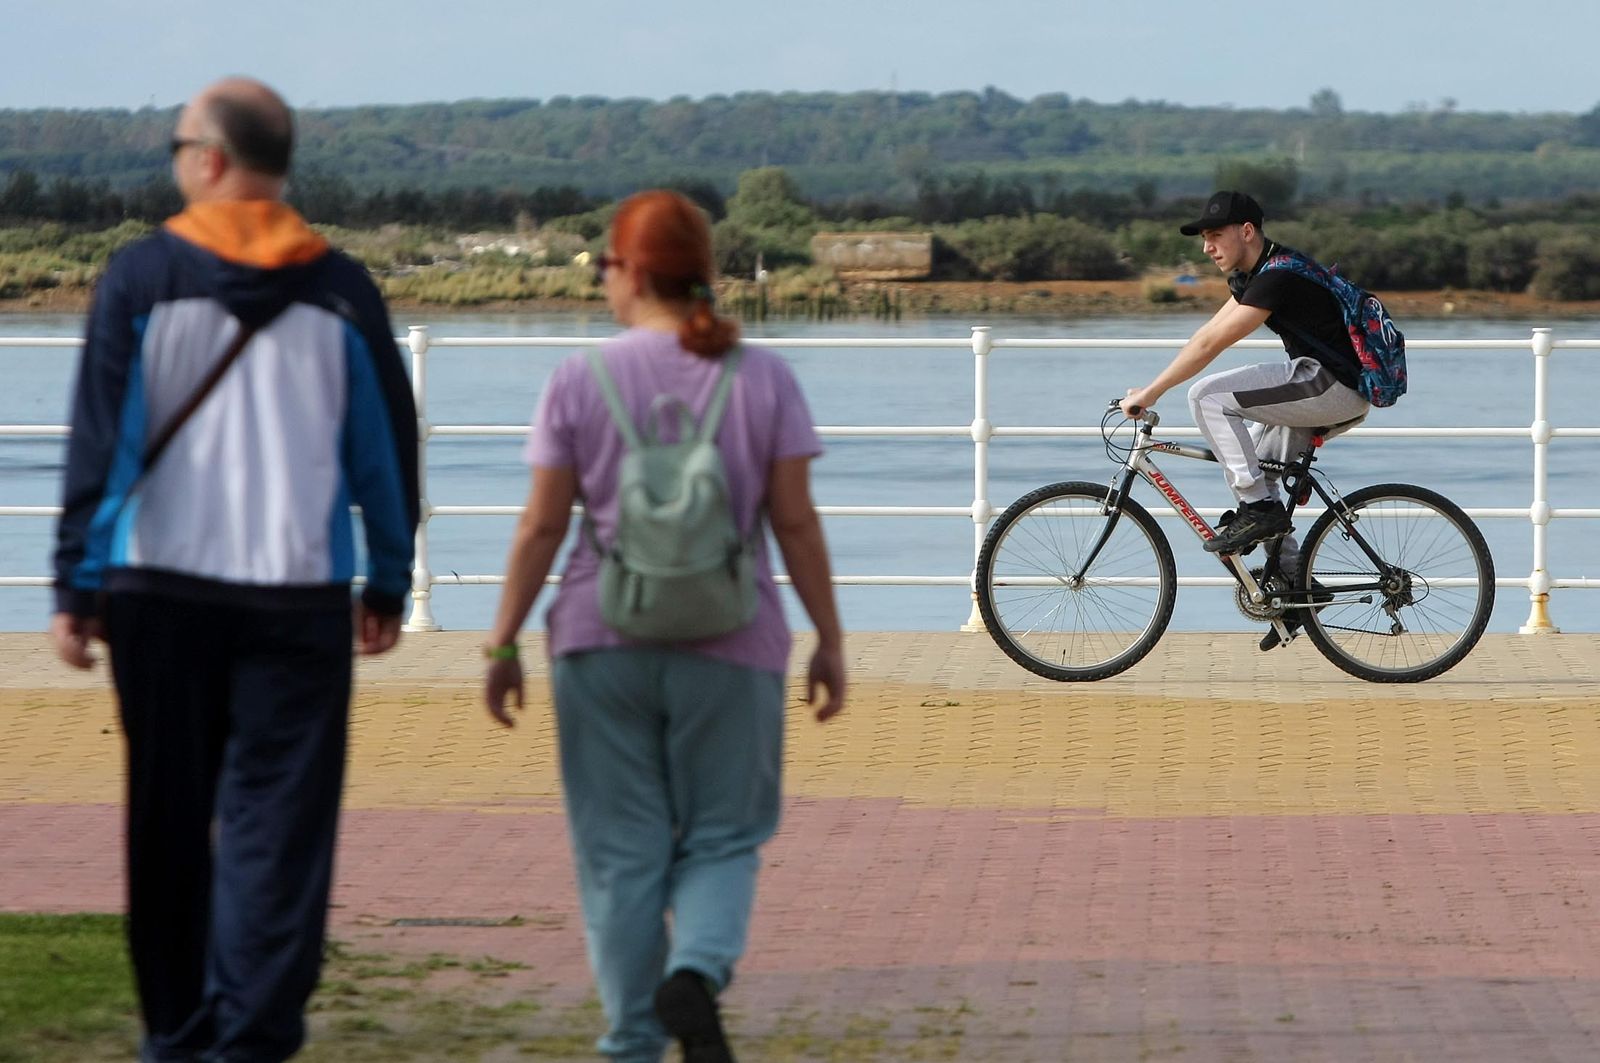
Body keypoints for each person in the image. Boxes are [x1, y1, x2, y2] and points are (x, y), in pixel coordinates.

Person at [50, 77, 419, 1062]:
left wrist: (75, 587)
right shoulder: (341, 290)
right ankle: (253, 1034)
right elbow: (384, 449)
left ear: (208, 158)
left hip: (157, 591)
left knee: (167, 821)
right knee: (280, 830)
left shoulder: (138, 279)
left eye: (177, 143)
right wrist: (388, 578)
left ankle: (175, 1031)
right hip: (294, 598)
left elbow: (100, 444)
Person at [483, 189, 846, 1063]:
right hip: (734, 638)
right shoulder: (763, 377)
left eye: (605, 265)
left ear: (634, 270)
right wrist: (830, 638)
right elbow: (795, 524)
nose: (603, 281)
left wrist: (500, 641)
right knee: (725, 834)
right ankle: (696, 968)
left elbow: (541, 526)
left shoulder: (578, 377)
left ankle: (632, 1040)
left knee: (620, 851)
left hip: (598, 638)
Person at [1120, 190, 1369, 647]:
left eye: (1215, 235)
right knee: (1256, 469)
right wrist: (1150, 386)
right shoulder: (1261, 273)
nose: (1206, 247)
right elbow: (1205, 334)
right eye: (1204, 238)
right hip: (1325, 387)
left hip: (1329, 384)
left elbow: (1212, 348)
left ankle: (1259, 512)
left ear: (1247, 231)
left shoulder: (1277, 278)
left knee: (1208, 397)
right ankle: (1297, 589)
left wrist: (1153, 393)